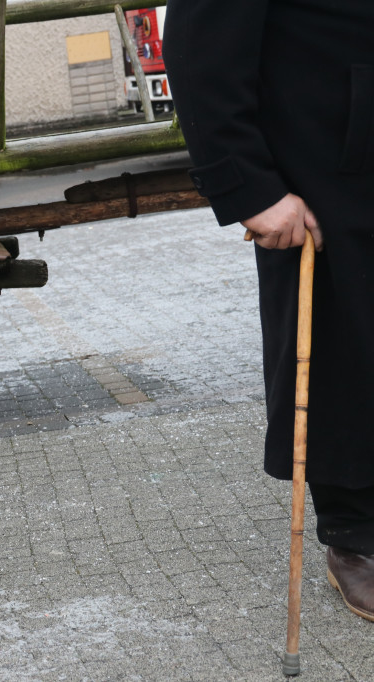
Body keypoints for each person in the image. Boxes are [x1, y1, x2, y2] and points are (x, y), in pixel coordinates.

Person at [164, 1, 374, 621]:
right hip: (325, 169)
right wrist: (249, 188)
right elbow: (201, 57)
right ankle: (357, 537)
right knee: (341, 344)